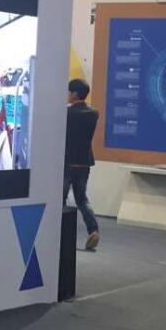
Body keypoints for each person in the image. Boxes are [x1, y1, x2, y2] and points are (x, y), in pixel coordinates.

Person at [65, 78, 100, 251]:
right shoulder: (93, 113)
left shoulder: (66, 113)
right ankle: (93, 230)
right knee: (82, 199)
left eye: (68, 92)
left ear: (74, 94)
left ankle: (59, 234)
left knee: (60, 201)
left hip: (67, 162)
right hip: (84, 163)